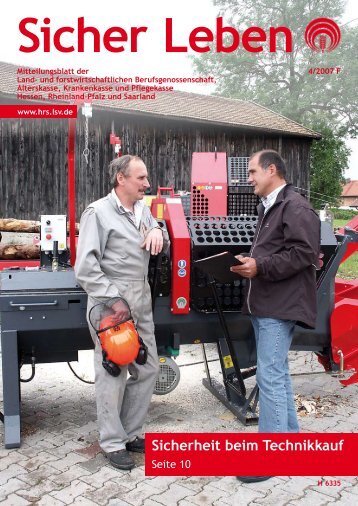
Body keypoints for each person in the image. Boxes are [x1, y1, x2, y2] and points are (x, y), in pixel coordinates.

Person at [230, 150, 320, 483]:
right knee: (277, 375)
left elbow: (305, 253)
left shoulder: (295, 207)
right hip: (267, 303)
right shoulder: (270, 208)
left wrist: (261, 266)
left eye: (252, 172)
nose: (248, 178)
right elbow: (275, 254)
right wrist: (251, 261)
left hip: (279, 306)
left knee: (269, 377)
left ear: (272, 170)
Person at [75, 154, 168, 470]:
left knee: (149, 368)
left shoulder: (141, 210)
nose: (147, 183)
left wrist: (157, 229)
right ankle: (113, 442)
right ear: (121, 179)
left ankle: (130, 433)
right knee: (113, 373)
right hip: (111, 306)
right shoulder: (97, 214)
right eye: (141, 178)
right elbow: (85, 268)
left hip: (140, 300)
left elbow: (157, 234)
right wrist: (115, 301)